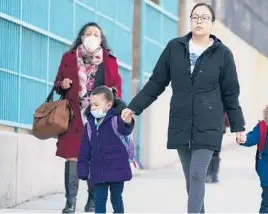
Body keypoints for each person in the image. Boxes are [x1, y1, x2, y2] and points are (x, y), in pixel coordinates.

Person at [121, 3, 245, 213]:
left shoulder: (223, 54)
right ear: (190, 20)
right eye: (195, 17)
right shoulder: (174, 47)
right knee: (191, 180)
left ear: (212, 24)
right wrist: (133, 107)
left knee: (198, 175)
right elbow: (156, 82)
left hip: (208, 122)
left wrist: (238, 125)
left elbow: (230, 92)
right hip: (181, 120)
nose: (199, 21)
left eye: (204, 18)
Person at [53, 22, 122, 213]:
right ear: (81, 37)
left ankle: (92, 200)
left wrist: (112, 92)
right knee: (72, 156)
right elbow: (57, 83)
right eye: (87, 33)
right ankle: (70, 202)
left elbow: (117, 86)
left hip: (97, 118)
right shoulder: (68, 58)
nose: (91, 36)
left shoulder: (109, 60)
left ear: (101, 39)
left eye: (96, 34)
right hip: (73, 116)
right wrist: (63, 84)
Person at [77, 86, 134, 214]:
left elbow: (126, 129)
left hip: (116, 169)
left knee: (116, 199)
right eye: (91, 105)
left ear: (108, 105)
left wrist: (128, 122)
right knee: (99, 200)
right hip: (99, 170)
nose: (93, 108)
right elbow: (84, 151)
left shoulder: (116, 121)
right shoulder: (89, 126)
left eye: (96, 104)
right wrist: (83, 170)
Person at [206, 113, 230, 183]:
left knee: (209, 151)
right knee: (215, 152)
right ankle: (213, 174)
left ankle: (210, 174)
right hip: (218, 127)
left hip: (209, 128)